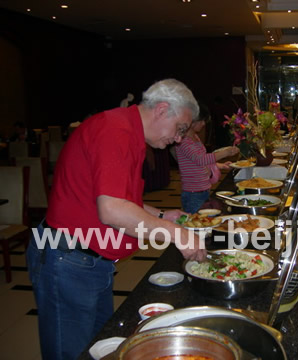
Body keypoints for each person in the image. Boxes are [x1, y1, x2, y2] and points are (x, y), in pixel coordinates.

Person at [26, 79, 206, 360]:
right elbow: (111, 210)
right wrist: (174, 231)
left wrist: (160, 214)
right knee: (71, 353)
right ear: (161, 110)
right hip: (68, 259)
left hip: (90, 261)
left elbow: (121, 198)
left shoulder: (129, 132)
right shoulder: (115, 131)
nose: (180, 138)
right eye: (180, 128)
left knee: (98, 348)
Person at [175, 103, 239, 213]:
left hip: (203, 189)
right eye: (202, 120)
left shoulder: (195, 137)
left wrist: (220, 165)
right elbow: (201, 159)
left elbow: (200, 162)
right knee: (195, 222)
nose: (204, 124)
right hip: (193, 193)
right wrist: (225, 153)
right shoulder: (183, 141)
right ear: (192, 121)